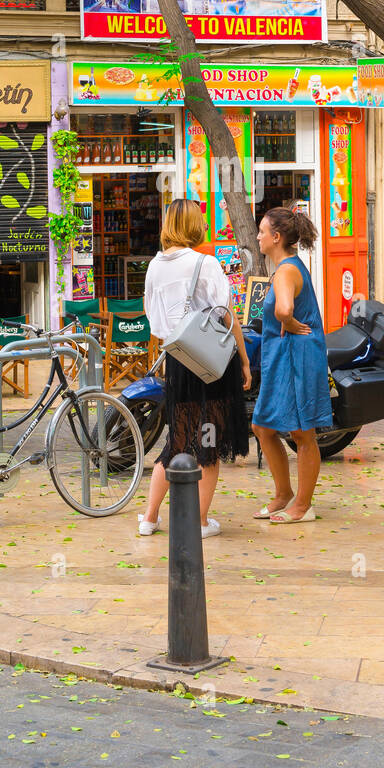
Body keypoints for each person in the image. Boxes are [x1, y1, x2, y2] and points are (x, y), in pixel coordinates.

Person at [140, 198, 251, 538]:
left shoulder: (155, 266)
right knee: (209, 439)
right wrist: (245, 361)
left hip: (178, 359)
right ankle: (200, 522)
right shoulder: (205, 263)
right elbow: (226, 315)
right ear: (193, 224)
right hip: (210, 361)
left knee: (179, 437)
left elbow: (152, 317)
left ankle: (149, 517)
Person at [252, 207, 333, 524]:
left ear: (276, 237)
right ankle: (284, 494)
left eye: (261, 231)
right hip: (284, 357)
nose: (258, 236)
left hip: (297, 356)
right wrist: (287, 320)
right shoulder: (286, 266)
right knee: (262, 426)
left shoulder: (286, 270)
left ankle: (303, 505)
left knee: (301, 432)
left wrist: (289, 320)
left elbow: (284, 308)